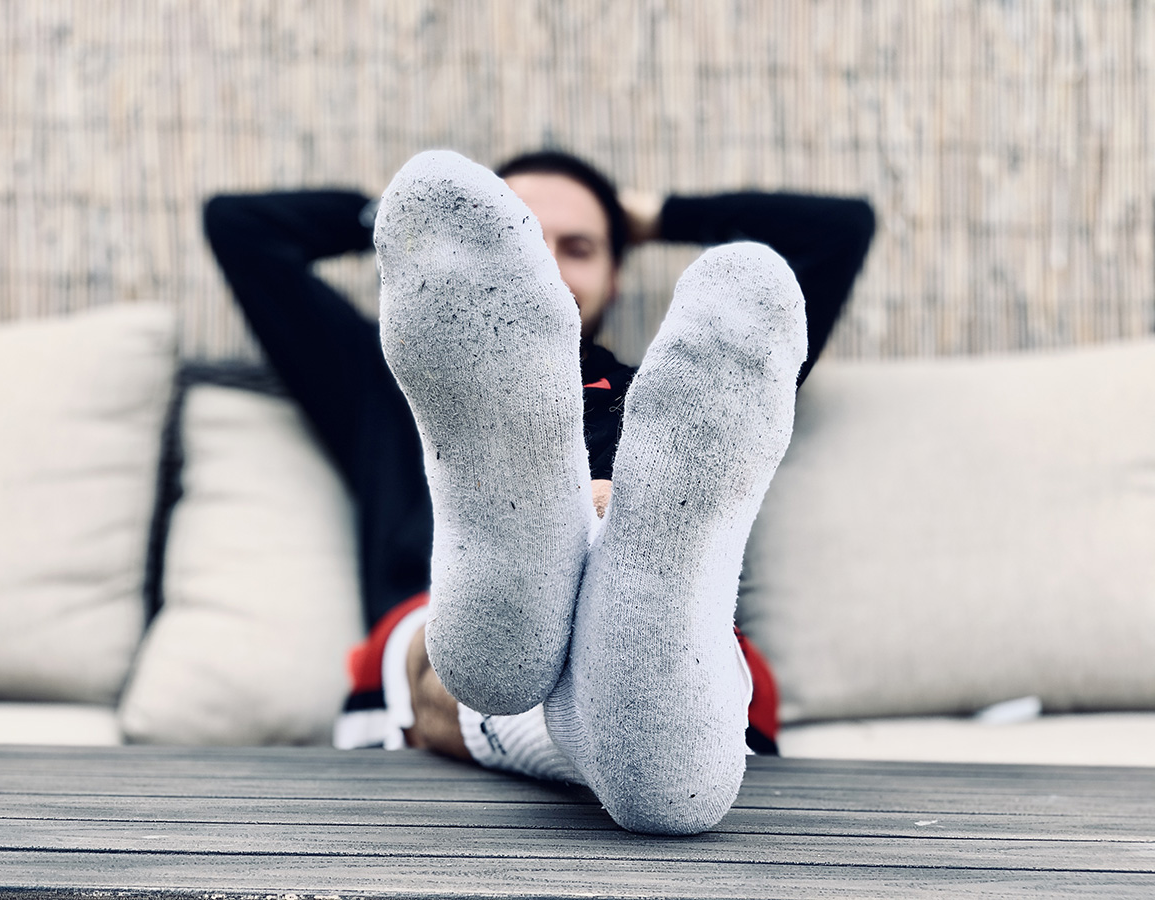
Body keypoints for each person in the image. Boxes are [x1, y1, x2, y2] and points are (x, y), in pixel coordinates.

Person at [204, 149, 874, 834]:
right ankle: (626, 718)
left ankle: (608, 594)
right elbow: (240, 228)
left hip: (690, 639)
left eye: (578, 248)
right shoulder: (391, 384)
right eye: (521, 237)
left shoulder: (699, 387)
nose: (543, 268)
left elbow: (837, 232)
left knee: (656, 613)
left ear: (616, 278)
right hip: (434, 639)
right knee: (477, 635)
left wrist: (652, 216)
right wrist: (437, 226)